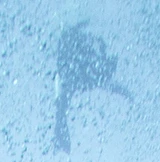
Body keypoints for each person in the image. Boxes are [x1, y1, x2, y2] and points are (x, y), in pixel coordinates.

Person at [52, 24, 130, 154]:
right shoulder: (94, 74)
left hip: (72, 69)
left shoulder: (91, 74)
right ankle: (60, 137)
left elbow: (112, 86)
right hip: (73, 68)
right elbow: (112, 86)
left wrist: (127, 94)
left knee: (62, 103)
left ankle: (60, 138)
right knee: (62, 102)